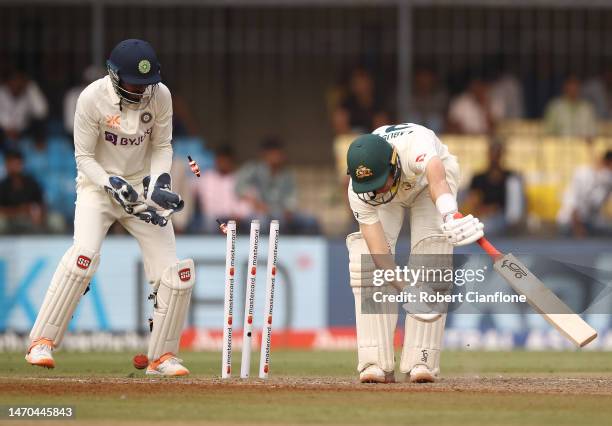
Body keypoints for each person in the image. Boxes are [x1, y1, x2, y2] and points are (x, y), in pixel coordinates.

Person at [25, 39, 195, 376]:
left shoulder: (160, 95)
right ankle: (41, 342)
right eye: (135, 83)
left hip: (141, 188)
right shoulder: (91, 98)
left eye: (147, 84)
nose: (142, 90)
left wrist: (160, 183)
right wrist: (109, 183)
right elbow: (83, 158)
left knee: (174, 274)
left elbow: (162, 145)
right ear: (115, 76)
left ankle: (162, 357)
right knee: (82, 258)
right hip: (97, 188)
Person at [345, 122, 484, 383]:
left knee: (432, 257)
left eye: (378, 182)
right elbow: (379, 254)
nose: (376, 192)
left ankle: (422, 359)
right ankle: (374, 361)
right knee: (366, 262)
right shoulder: (362, 191)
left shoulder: (416, 147)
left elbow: (437, 179)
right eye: (368, 187)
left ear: (393, 163)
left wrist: (449, 214)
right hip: (399, 189)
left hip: (425, 183)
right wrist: (407, 289)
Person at [235, 137, 320, 235]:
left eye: (279, 153)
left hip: (281, 213)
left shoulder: (287, 174)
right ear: (265, 155)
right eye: (273, 153)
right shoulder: (254, 169)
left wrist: (289, 209)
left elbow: (292, 199)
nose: (277, 157)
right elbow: (239, 187)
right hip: (260, 213)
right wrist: (254, 201)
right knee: (260, 222)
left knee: (310, 221)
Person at [462, 143, 524, 236]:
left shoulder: (510, 177)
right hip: (484, 216)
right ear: (488, 154)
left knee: (515, 181)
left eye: (497, 153)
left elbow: (515, 206)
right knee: (485, 225)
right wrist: (486, 210)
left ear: (502, 155)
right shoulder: (478, 178)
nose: (495, 157)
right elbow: (474, 202)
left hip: (504, 217)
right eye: (493, 153)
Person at [194, 145, 251, 233]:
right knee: (208, 220)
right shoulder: (206, 177)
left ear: (232, 161)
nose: (223, 163)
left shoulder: (241, 178)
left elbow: (247, 204)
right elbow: (206, 205)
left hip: (236, 219)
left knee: (253, 220)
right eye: (220, 160)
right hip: (215, 219)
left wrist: (238, 216)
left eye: (226, 160)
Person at [557, 150, 612, 237]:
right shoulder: (583, 174)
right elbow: (573, 201)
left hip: (588, 222)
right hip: (571, 223)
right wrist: (578, 227)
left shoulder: (606, 180)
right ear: (608, 163)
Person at [0, 69, 48, 150]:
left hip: (23, 132)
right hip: (3, 131)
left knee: (39, 123)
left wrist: (32, 87)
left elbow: (42, 111)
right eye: (13, 80)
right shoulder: (1, 92)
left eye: (19, 80)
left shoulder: (29, 91)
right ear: (7, 82)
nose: (16, 83)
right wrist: (8, 129)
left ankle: (38, 153)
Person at [0, 149, 45, 233]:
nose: (14, 166)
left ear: (22, 164)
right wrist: (19, 211)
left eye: (17, 163)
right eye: (11, 163)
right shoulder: (2, 185)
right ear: (6, 165)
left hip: (29, 219)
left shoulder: (32, 183)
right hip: (9, 220)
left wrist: (37, 212)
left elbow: (41, 204)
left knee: (55, 221)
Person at [406, 67, 448, 134]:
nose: (425, 82)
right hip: (413, 131)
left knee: (435, 120)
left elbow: (444, 115)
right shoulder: (408, 95)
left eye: (427, 79)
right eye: (421, 80)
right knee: (413, 118)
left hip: (435, 131)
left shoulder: (440, 96)